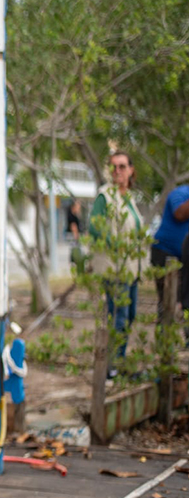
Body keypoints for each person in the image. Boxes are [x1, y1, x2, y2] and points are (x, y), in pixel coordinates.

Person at [89, 151, 143, 378]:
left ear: (131, 170)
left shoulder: (129, 198)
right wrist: (116, 245)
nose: (117, 171)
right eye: (114, 167)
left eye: (122, 167)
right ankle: (112, 367)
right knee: (118, 317)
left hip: (131, 269)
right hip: (114, 268)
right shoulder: (105, 196)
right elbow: (95, 227)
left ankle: (119, 362)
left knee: (129, 316)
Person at [149, 184, 189, 319]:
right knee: (168, 302)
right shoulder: (179, 193)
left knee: (185, 301)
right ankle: (163, 337)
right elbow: (179, 214)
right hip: (164, 253)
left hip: (184, 258)